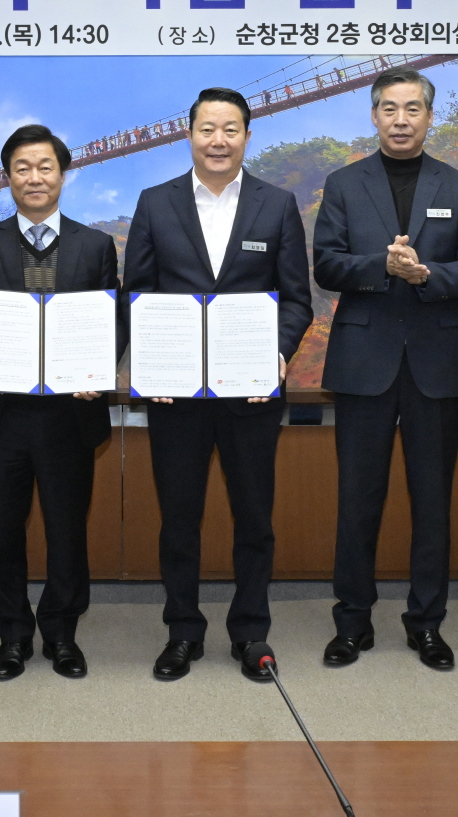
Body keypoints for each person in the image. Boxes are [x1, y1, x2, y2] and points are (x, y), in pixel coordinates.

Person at [123, 88, 312, 683]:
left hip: (251, 394)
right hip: (175, 395)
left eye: (231, 129)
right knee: (179, 519)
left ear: (247, 137)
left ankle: (251, 632)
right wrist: (150, 361)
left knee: (254, 518)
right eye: (207, 128)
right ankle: (182, 631)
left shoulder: (277, 204)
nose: (218, 140)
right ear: (190, 135)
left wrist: (276, 355)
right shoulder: (155, 203)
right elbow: (136, 294)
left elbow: (296, 299)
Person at [312, 65, 458, 672]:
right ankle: (352, 623)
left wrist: (426, 274)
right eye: (389, 108)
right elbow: (326, 265)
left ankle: (427, 624)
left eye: (413, 108)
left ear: (429, 117)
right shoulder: (343, 183)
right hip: (364, 363)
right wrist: (381, 267)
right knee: (356, 501)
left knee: (432, 502)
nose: (401, 119)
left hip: (435, 365)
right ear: (373, 115)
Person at [0, 126, 119, 681]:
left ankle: (62, 634)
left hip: (70, 414)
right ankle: (13, 636)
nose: (34, 177)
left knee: (67, 532)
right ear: (7, 177)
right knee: (3, 532)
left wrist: (98, 369)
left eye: (45, 167)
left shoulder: (96, 245)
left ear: (63, 175)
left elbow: (111, 319)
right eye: (22, 168)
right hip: (2, 414)